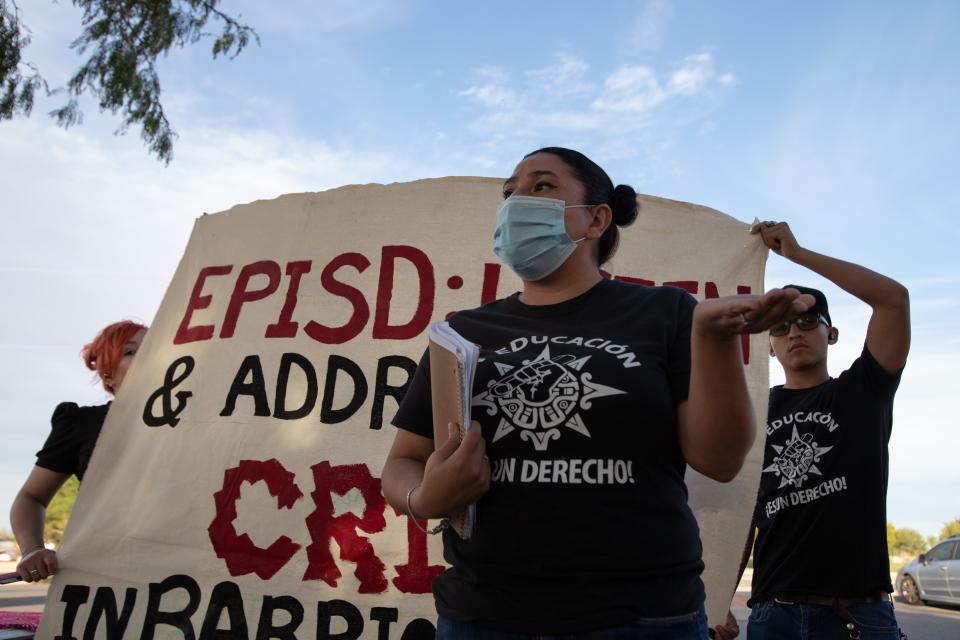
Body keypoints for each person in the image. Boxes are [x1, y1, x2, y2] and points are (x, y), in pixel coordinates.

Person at [381, 147, 814, 638]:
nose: (516, 201)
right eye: (509, 192)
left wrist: (714, 339)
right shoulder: (462, 331)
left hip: (645, 617)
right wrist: (423, 497)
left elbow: (719, 460)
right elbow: (402, 463)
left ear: (596, 219)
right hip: (482, 615)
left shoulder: (667, 312)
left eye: (542, 186)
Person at [713, 221, 910, 640]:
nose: (793, 333)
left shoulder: (863, 392)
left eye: (807, 321)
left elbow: (893, 300)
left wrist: (797, 254)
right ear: (769, 344)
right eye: (780, 328)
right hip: (773, 615)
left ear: (831, 332)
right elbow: (745, 514)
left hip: (855, 616)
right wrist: (719, 600)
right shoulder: (754, 409)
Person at [11, 320, 148, 583]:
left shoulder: (203, 421)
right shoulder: (81, 423)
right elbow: (31, 497)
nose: (146, 356)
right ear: (108, 374)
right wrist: (33, 549)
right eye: (130, 352)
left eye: (153, 347)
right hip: (107, 578)